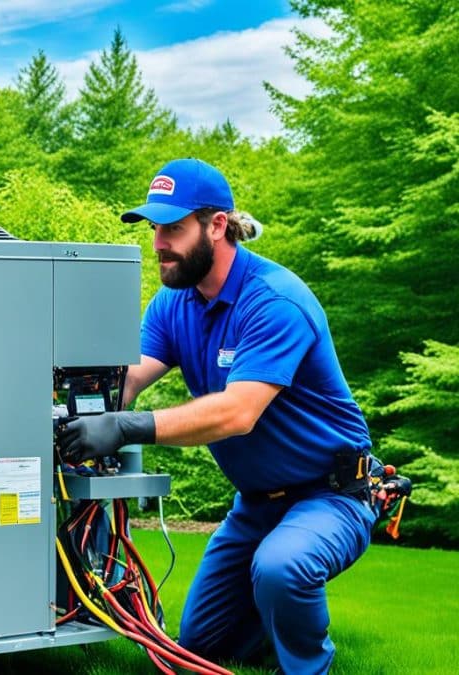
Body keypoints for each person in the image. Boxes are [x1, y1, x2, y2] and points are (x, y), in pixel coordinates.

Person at [57, 158, 377, 674]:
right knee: (199, 643)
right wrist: (70, 406)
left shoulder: (273, 301)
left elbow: (237, 413)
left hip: (331, 494)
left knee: (281, 567)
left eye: (174, 229)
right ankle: (276, 617)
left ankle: (307, 663)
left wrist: (124, 428)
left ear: (217, 226)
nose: (159, 242)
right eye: (155, 228)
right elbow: (128, 382)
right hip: (255, 505)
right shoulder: (172, 304)